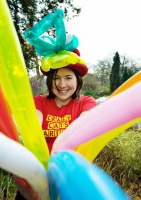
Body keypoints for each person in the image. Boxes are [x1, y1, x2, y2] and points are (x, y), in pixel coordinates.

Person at [14, 49, 97, 200]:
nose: (62, 84)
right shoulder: (38, 101)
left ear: (78, 80)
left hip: (69, 177)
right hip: (36, 176)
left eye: (68, 78)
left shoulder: (87, 102)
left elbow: (85, 127)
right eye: (56, 78)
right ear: (49, 80)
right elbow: (33, 127)